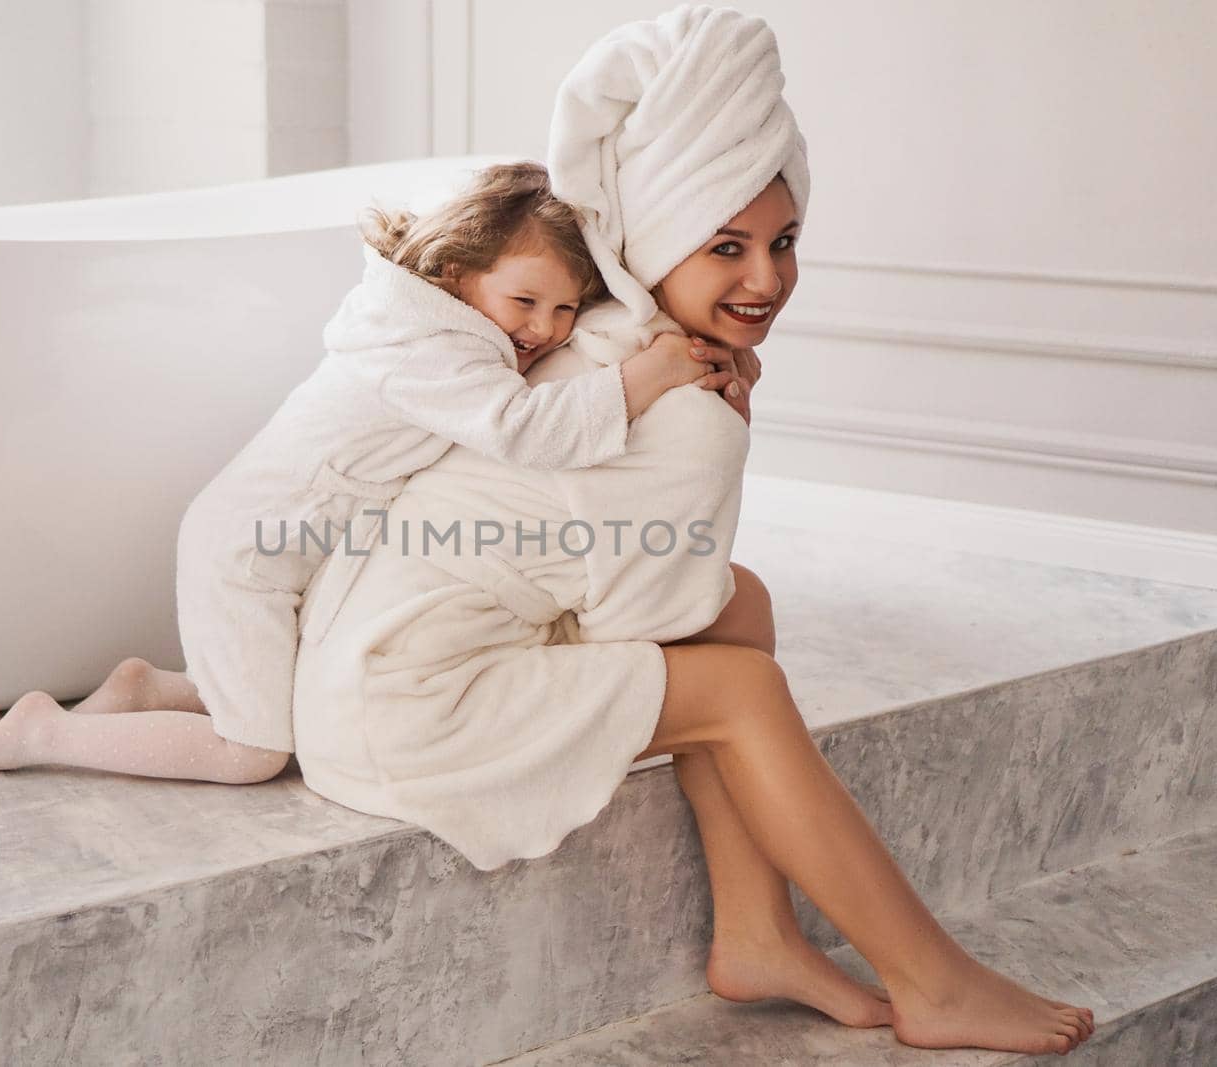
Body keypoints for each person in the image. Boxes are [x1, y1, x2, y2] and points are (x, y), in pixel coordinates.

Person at [285, 5, 1097, 1056]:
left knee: (741, 601)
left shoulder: (610, 340)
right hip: (405, 708)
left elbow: (643, 578)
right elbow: (648, 607)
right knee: (740, 684)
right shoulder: (676, 408)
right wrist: (724, 443)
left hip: (365, 666)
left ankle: (757, 929)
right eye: (725, 246)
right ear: (654, 244)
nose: (764, 279)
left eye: (783, 241)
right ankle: (929, 978)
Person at [0, 161, 743, 782]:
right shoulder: (430, 349)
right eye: (527, 301)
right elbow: (520, 427)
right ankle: (52, 733)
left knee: (281, 697)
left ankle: (146, 689)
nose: (546, 329)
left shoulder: (440, 328)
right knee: (251, 750)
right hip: (249, 554)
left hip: (293, 543)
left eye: (566, 311)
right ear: (459, 273)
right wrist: (648, 377)